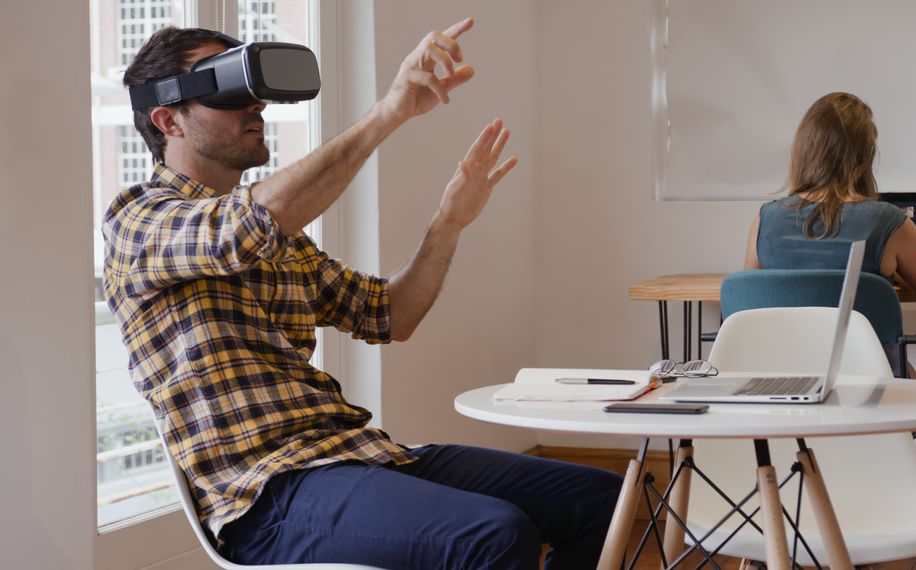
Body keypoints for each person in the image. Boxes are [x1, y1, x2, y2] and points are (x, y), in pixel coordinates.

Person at [103, 21, 621, 569]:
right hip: (266, 497)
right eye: (227, 88)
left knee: (599, 502)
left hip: (357, 454)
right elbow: (245, 226)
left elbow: (390, 314)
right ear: (167, 120)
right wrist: (389, 111)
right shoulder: (139, 220)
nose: (254, 104)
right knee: (491, 535)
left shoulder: (283, 238)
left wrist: (448, 223)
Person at [743, 92, 916, 475]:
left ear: (803, 150)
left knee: (881, 358)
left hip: (781, 377)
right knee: (884, 355)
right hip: (865, 378)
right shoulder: (886, 220)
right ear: (865, 155)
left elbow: (750, 302)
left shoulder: (764, 219)